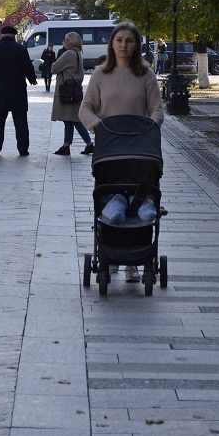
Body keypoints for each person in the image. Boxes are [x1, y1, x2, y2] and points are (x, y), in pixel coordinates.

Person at [79, 21, 165, 283]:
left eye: (129, 40)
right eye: (119, 40)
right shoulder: (100, 75)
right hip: (111, 149)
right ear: (112, 43)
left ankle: (134, 262)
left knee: (139, 198)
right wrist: (98, 127)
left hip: (139, 149)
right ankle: (110, 255)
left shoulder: (146, 75)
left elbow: (157, 110)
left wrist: (150, 127)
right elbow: (86, 108)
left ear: (137, 44)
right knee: (111, 195)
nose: (124, 45)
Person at [0, 25, 37, 156]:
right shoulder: (21, 49)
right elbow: (28, 68)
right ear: (14, 35)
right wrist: (32, 79)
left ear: (1, 35)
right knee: (21, 123)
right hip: (17, 92)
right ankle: (23, 149)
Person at [51, 32, 95, 156]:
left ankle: (89, 144)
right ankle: (66, 145)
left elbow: (54, 68)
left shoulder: (69, 53)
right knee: (68, 119)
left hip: (67, 91)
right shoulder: (78, 53)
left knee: (74, 120)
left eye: (67, 40)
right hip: (73, 90)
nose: (64, 42)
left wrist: (63, 51)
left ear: (73, 42)